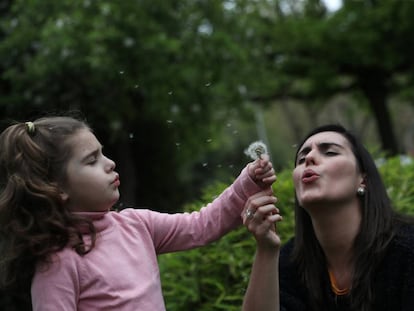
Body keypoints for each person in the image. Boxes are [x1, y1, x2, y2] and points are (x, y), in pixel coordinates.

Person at [0, 115, 277, 311]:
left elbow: (202, 225)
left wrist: (247, 182)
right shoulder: (58, 264)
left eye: (103, 153)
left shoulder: (136, 224)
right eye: (92, 160)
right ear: (57, 187)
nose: (109, 164)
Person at [241, 124, 414, 311]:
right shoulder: (290, 262)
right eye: (301, 159)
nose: (309, 158)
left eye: (330, 152)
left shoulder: (407, 250)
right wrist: (266, 250)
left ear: (362, 179)